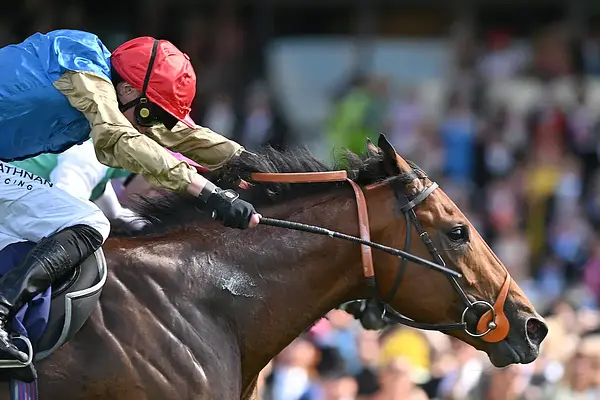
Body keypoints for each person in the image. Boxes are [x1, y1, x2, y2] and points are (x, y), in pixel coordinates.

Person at [0, 29, 261, 362]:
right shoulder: (81, 65)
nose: (150, 128)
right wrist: (208, 193)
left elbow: (179, 136)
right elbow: (119, 138)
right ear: (126, 89)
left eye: (161, 118)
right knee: (87, 222)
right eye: (150, 115)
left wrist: (246, 160)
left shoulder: (109, 88)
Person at [9, 139, 145, 230]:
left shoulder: (104, 158)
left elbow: (113, 211)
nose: (153, 193)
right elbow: (65, 209)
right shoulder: (93, 156)